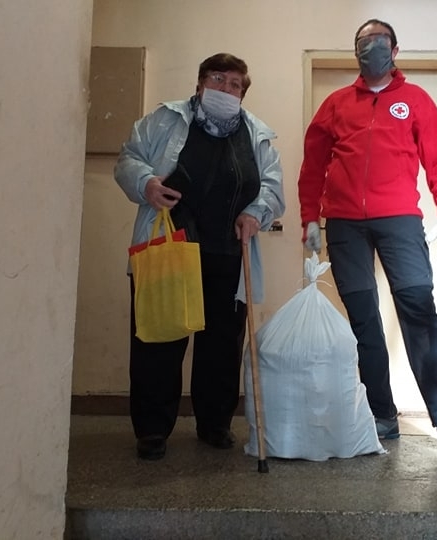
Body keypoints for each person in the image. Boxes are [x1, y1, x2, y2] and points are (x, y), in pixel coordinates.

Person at [297, 19, 437, 449]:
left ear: (395, 50)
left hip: (400, 220)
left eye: (379, 41)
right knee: (363, 317)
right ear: (355, 52)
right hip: (344, 223)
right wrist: (309, 218)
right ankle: (381, 415)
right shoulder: (335, 104)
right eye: (364, 42)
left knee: (419, 309)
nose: (372, 48)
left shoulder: (415, 100)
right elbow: (313, 166)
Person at [115, 53, 286, 460]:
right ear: (200, 83)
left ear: (243, 94)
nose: (225, 89)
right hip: (170, 246)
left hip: (229, 251)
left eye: (235, 84)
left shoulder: (258, 134)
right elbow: (128, 159)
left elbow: (273, 188)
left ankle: (215, 423)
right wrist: (146, 184)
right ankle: (152, 429)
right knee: (158, 338)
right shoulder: (164, 120)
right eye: (217, 79)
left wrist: (255, 212)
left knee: (222, 345)